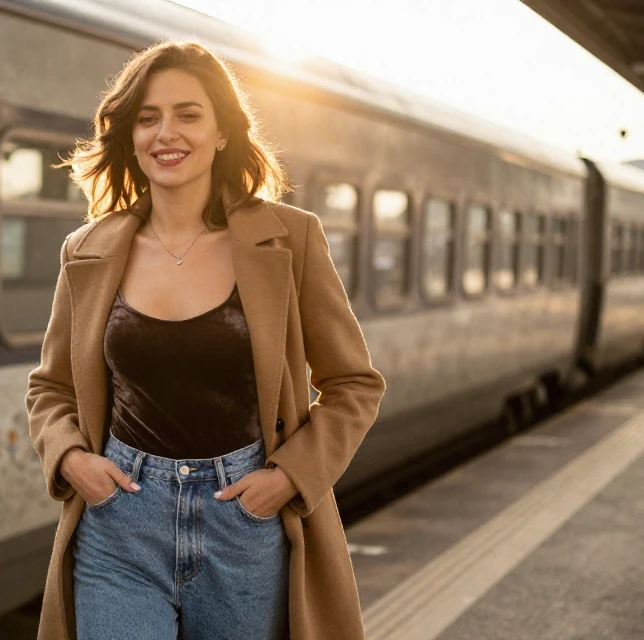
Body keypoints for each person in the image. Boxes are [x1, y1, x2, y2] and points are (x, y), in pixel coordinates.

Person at [26, 40, 386, 640]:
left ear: (223, 131)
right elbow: (51, 387)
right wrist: (70, 458)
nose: (166, 133)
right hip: (121, 520)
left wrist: (289, 478)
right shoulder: (87, 250)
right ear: (131, 136)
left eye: (188, 114)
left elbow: (353, 383)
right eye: (148, 118)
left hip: (241, 520)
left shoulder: (289, 239)